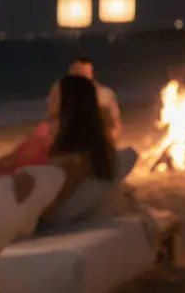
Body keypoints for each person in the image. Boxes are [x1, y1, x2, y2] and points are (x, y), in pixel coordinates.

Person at [39, 74, 118, 215]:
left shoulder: (75, 159)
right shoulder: (91, 144)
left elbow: (48, 210)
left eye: (54, 95)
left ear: (68, 102)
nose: (48, 99)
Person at [45, 56, 123, 143]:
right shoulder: (59, 91)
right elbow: (52, 118)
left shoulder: (103, 94)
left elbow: (115, 124)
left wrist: (107, 139)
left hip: (95, 142)